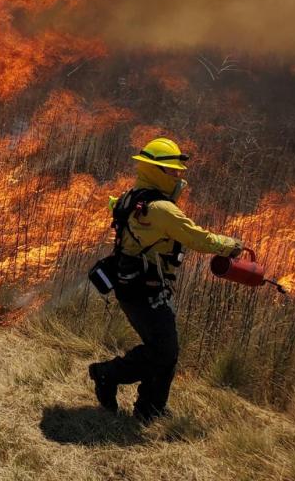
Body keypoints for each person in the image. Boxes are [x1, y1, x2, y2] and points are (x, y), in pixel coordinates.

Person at [87, 137, 243, 422]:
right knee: (163, 351)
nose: (178, 176)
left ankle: (151, 408)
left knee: (165, 349)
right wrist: (230, 245)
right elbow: (198, 238)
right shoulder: (161, 209)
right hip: (144, 290)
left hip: (133, 285)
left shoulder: (131, 196)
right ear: (157, 171)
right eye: (173, 171)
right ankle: (107, 375)